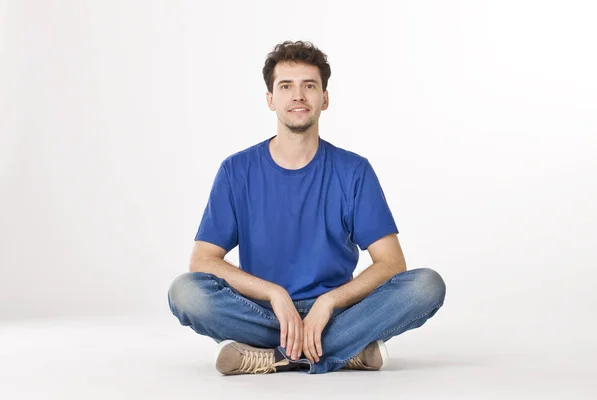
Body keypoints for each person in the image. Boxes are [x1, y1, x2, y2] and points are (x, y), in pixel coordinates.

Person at [167, 40, 446, 375]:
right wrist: (274, 294)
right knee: (185, 292)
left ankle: (273, 357)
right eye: (286, 86)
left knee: (427, 285)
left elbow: (391, 263)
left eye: (309, 86)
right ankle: (343, 350)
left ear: (324, 99)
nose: (297, 96)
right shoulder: (236, 171)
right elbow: (202, 260)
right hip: (261, 310)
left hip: (336, 311)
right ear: (271, 99)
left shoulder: (353, 171)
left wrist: (328, 302)